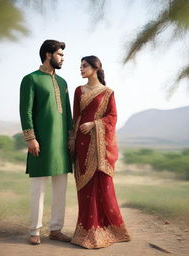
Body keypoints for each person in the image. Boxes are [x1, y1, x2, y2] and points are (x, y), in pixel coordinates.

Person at [70, 55, 130, 249]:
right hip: (81, 143)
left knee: (102, 186)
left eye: (84, 66)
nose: (81, 69)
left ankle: (108, 230)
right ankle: (86, 231)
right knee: (84, 189)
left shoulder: (107, 92)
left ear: (96, 68)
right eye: (80, 66)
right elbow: (75, 117)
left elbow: (112, 117)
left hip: (100, 146)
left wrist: (95, 124)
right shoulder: (79, 90)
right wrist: (72, 139)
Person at [19, 39, 74, 245]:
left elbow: (67, 113)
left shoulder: (63, 82)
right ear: (48, 55)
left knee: (60, 190)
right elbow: (25, 111)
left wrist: (71, 138)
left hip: (61, 146)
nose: (63, 58)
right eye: (60, 55)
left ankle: (56, 229)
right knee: (38, 190)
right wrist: (30, 138)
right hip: (40, 143)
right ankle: (35, 230)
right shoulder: (30, 79)